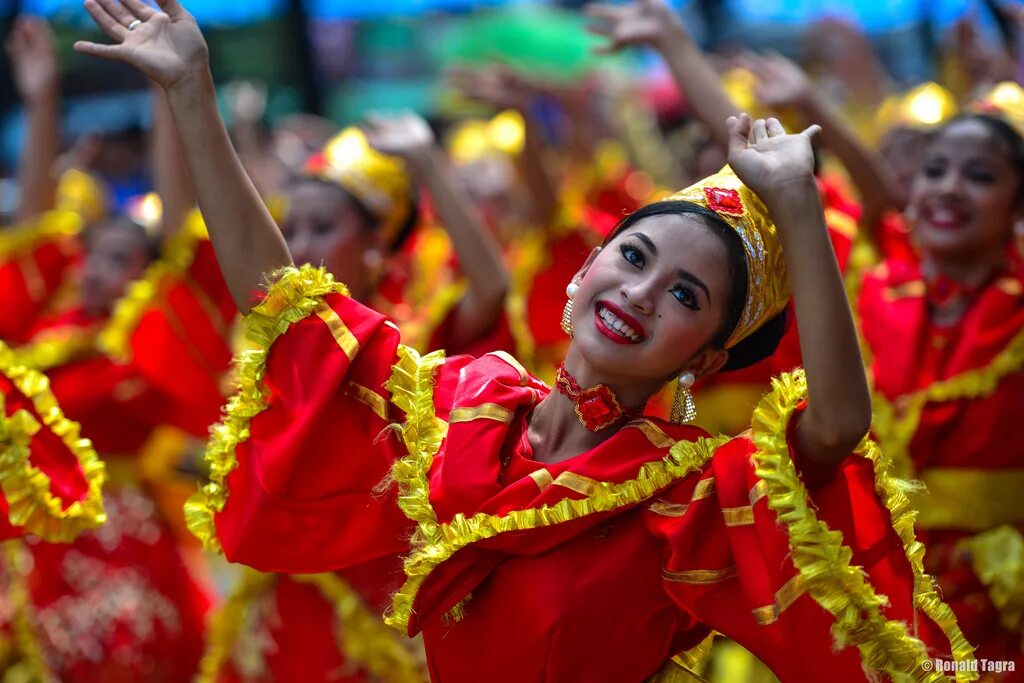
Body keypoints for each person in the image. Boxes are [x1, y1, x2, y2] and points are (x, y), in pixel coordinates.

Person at [74, 0, 971, 680]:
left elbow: (836, 426)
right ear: (583, 272)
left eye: (686, 294)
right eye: (633, 256)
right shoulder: (463, 404)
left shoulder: (685, 490)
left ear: (702, 358)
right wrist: (192, 95)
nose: (640, 291)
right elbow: (290, 305)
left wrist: (800, 205)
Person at [858, 86, 1024, 672]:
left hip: (1004, 608)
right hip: (881, 595)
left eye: (978, 176)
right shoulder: (877, 293)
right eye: (934, 170)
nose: (949, 188)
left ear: (1018, 204)